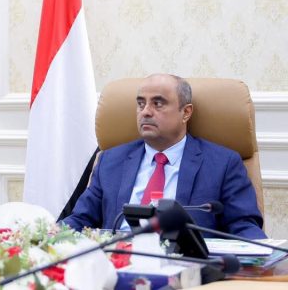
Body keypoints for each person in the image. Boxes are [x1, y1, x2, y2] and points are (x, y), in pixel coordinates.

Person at [62, 73, 266, 239]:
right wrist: (49, 238)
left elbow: (244, 227)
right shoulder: (110, 161)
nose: (145, 112)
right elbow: (80, 219)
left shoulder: (223, 163)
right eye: (141, 104)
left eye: (158, 104)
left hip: (187, 267)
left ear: (186, 112)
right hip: (116, 263)